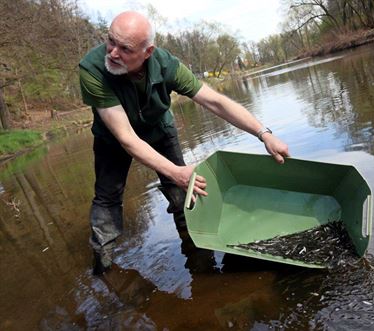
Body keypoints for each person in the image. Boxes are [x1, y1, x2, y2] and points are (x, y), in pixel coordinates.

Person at [79, 11, 290, 275]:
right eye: (111, 41)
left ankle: (199, 261)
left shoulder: (167, 65)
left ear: (147, 52)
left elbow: (214, 101)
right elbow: (127, 139)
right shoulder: (92, 69)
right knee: (108, 198)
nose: (112, 52)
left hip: (158, 128)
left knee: (183, 194)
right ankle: (103, 264)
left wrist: (264, 134)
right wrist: (177, 172)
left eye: (125, 48)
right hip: (113, 138)